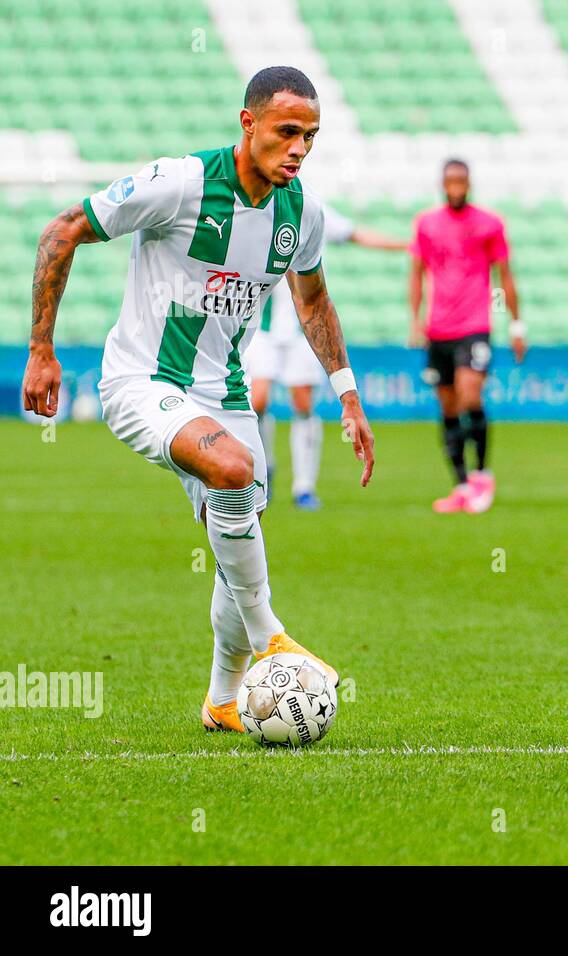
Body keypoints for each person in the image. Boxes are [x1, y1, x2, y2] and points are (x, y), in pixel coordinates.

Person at [21, 65, 376, 734]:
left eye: (311, 136)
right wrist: (42, 349)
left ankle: (221, 699)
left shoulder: (302, 213)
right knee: (236, 469)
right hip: (142, 381)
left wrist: (348, 394)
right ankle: (272, 635)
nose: (300, 147)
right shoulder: (181, 183)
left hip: (225, 392)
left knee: (236, 531)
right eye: (287, 131)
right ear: (250, 125)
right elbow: (63, 229)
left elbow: (314, 298)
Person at [246, 203, 404, 510]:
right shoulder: (258, 208)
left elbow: (355, 234)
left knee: (303, 403)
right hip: (262, 328)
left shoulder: (309, 207)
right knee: (258, 401)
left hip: (303, 330)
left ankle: (304, 486)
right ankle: (264, 471)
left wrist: (405, 245)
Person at [409, 158, 525, 514]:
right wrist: (415, 320)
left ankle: (481, 475)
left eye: (461, 180)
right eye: (450, 181)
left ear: (469, 183)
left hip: (474, 325)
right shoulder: (427, 224)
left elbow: (505, 275)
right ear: (442, 185)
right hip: (438, 328)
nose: (456, 186)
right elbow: (417, 273)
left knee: (470, 393)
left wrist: (517, 324)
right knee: (447, 404)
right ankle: (460, 484)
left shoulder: (489, 224)